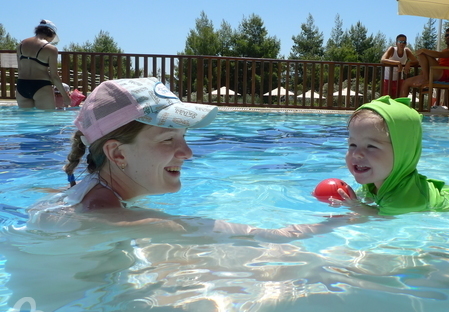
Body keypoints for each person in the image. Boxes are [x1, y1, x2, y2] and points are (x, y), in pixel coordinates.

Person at [29, 77, 343, 240]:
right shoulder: (103, 214)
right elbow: (260, 238)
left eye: (184, 137)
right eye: (168, 139)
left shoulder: (89, 193)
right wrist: (337, 224)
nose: (188, 153)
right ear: (118, 153)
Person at [15, 19, 72, 109]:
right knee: (47, 117)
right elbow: (54, 76)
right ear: (52, 34)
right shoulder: (51, 49)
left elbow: (20, 69)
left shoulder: (21, 45)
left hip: (22, 85)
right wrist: (65, 96)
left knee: (26, 116)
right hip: (41, 86)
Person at [399, 27, 449, 99]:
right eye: (447, 35)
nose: (448, 37)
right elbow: (435, 61)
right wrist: (413, 65)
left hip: (444, 74)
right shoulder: (445, 50)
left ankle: (425, 79)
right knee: (406, 82)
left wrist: (423, 50)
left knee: (422, 53)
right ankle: (400, 104)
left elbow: (440, 55)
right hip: (435, 73)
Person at [380, 34, 417, 98]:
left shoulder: (407, 51)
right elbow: (383, 60)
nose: (402, 43)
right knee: (386, 100)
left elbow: (417, 61)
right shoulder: (392, 49)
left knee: (398, 99)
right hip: (387, 79)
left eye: (404, 42)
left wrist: (409, 63)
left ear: (406, 43)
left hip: (399, 80)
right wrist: (398, 63)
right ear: (396, 43)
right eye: (400, 41)